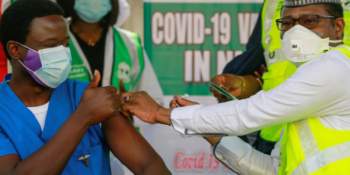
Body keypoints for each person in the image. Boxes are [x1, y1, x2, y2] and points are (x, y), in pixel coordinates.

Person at [121, 0, 350, 174]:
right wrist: (208, 131)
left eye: (310, 21)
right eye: (288, 23)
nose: (296, 31)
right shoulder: (304, 105)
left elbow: (249, 113)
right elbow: (270, 169)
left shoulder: (334, 67)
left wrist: (162, 113)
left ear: (338, 27)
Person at [0, 0, 171, 174]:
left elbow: (149, 165)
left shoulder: (88, 97)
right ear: (15, 49)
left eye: (65, 45)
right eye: (50, 46)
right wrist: (83, 117)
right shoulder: (90, 106)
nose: (62, 54)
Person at [56, 0, 163, 106]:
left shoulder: (130, 42)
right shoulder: (54, 41)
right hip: (70, 123)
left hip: (122, 122)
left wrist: (129, 111)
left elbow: (153, 99)